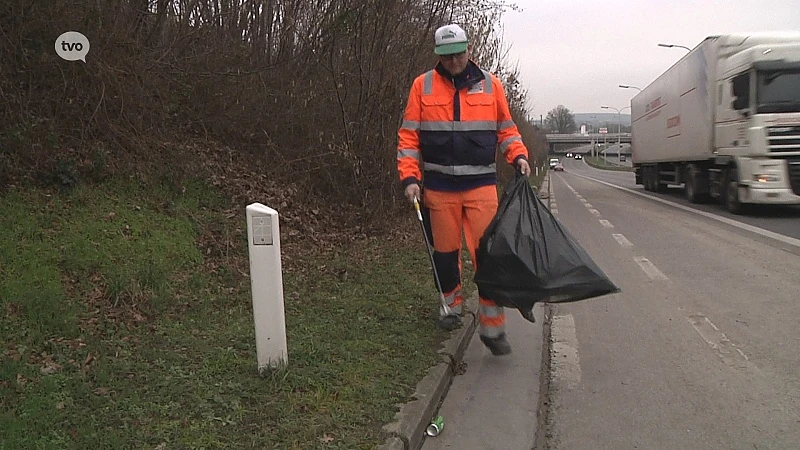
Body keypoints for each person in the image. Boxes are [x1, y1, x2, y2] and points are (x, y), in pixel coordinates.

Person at [396, 24, 531, 356]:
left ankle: (493, 328)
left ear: (469, 50)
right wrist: (409, 178)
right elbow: (409, 137)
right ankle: (450, 306)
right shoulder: (422, 86)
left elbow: (506, 129)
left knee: (487, 257)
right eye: (447, 56)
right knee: (444, 256)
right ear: (438, 56)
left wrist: (519, 155)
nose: (454, 61)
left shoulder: (491, 85)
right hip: (439, 188)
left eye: (458, 54)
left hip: (481, 187)